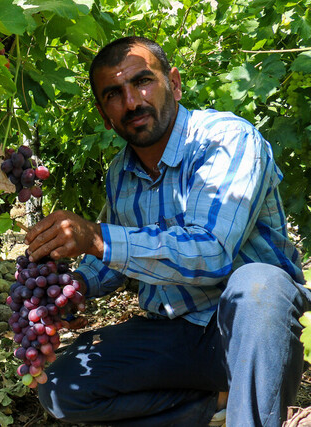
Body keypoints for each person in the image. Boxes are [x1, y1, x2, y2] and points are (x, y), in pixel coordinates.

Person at [25, 36, 311, 427]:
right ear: (103, 113)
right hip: (172, 333)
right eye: (114, 94)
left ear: (173, 84)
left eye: (143, 81)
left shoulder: (227, 140)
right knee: (61, 386)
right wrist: (73, 288)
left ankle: (251, 415)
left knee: (261, 283)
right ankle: (218, 407)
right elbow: (119, 260)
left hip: (248, 336)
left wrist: (96, 238)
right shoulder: (119, 174)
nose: (132, 102)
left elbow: (210, 251)